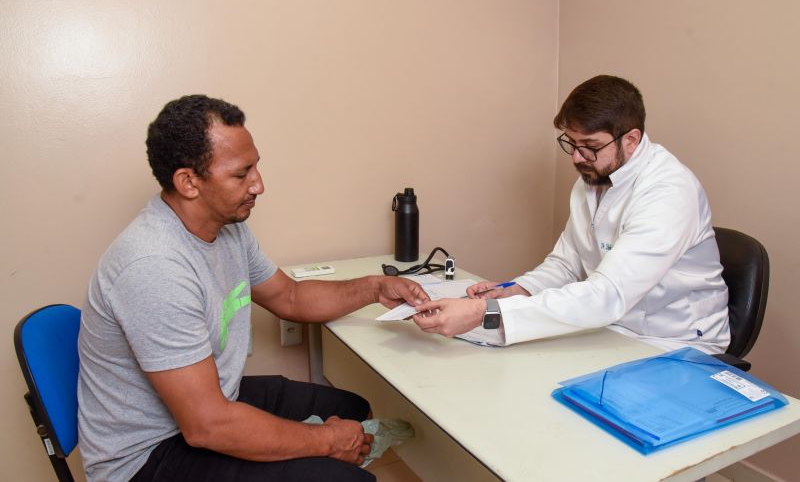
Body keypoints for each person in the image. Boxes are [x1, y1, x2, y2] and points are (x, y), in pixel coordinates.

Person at [77, 94, 428, 482]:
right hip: (148, 457)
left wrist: (375, 287)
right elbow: (208, 426)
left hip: (210, 404)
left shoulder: (229, 230)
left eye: (256, 166)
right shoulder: (153, 267)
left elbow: (289, 296)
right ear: (188, 182)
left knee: (353, 409)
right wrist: (326, 440)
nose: (259, 184)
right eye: (242, 173)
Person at [411, 75, 730, 354]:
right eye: (571, 143)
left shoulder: (668, 191)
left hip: (675, 341)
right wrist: (515, 290)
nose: (577, 157)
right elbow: (568, 262)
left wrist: (484, 311)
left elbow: (608, 293)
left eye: (590, 146)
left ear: (631, 140)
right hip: (613, 328)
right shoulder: (593, 179)